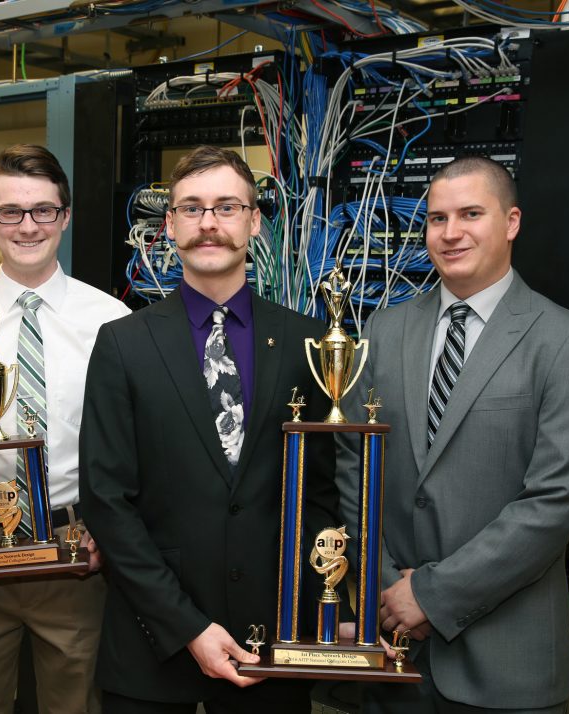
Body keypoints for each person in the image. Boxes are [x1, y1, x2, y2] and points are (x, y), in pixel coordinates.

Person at [336, 156, 569, 713]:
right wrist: (388, 589)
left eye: (470, 214)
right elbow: (353, 461)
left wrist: (431, 595)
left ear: (511, 222)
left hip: (507, 666)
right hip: (392, 649)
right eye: (437, 218)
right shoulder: (384, 329)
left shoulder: (565, 341)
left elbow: (556, 502)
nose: (451, 232)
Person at [79, 145, 342, 712]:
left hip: (270, 646)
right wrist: (187, 627)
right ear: (169, 225)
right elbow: (106, 501)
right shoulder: (123, 344)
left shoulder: (308, 343)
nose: (209, 223)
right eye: (192, 208)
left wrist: (324, 605)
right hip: (152, 647)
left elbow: (320, 495)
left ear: (254, 221)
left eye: (226, 207)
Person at [0, 144, 130, 714]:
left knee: (77, 704)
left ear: (65, 216)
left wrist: (109, 531)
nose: (27, 226)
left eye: (43, 210)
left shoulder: (112, 323)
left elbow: (135, 449)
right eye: (10, 212)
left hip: (78, 551)